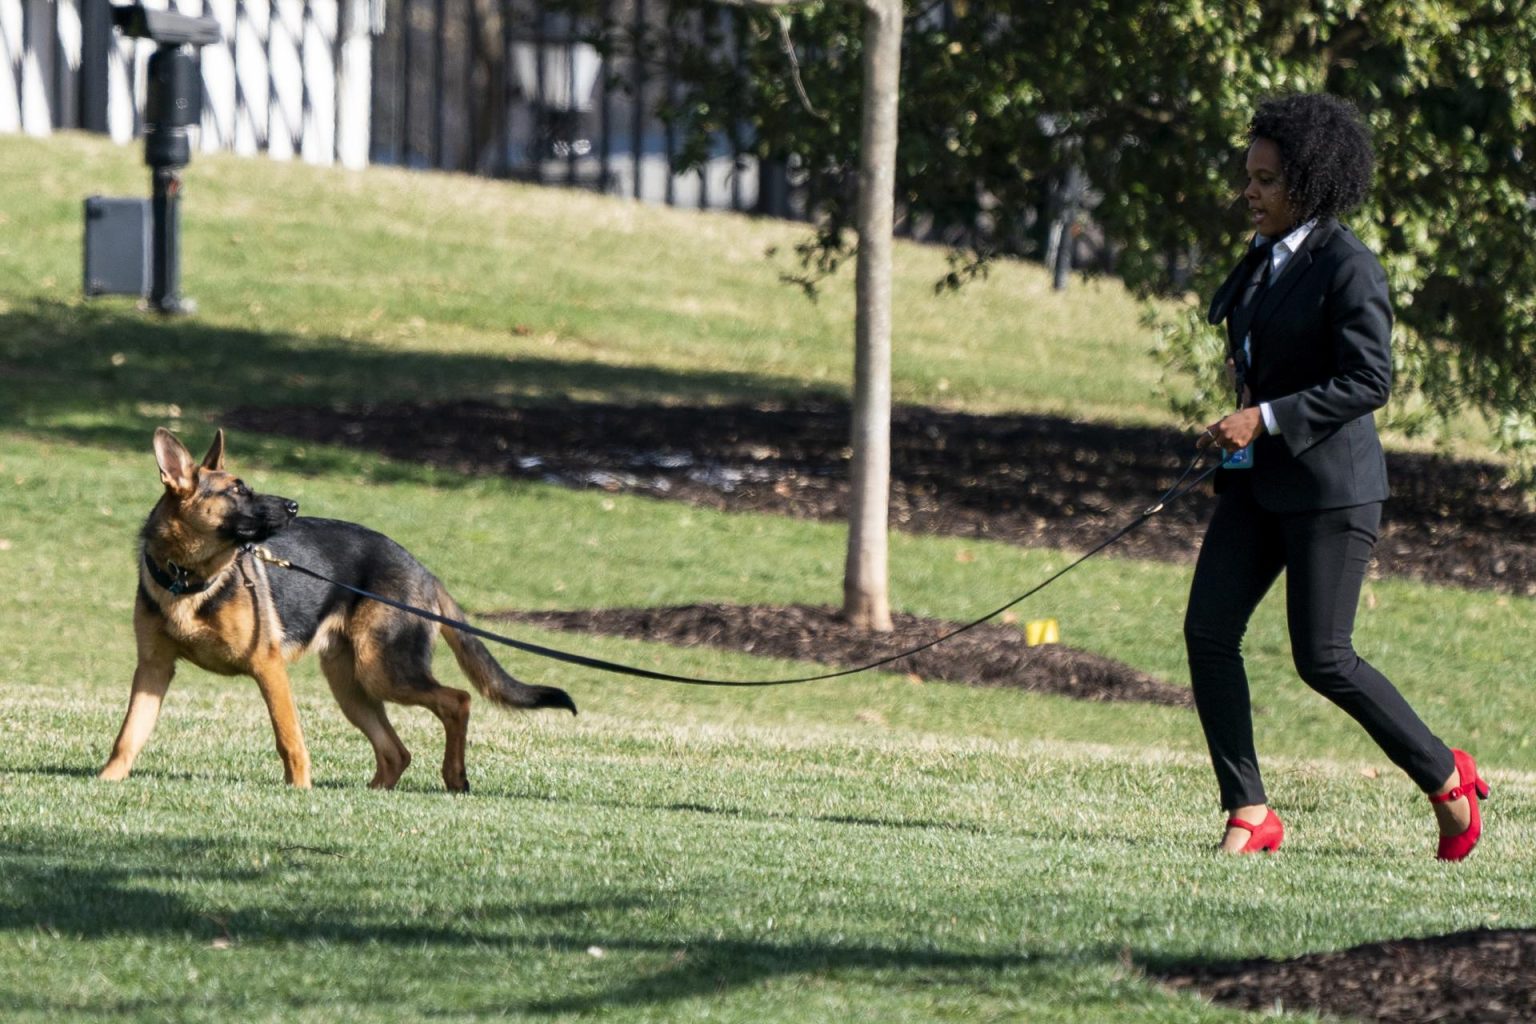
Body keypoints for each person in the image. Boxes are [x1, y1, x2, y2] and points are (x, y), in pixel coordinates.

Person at [1186, 93, 1489, 859]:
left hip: (1333, 491)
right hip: (1259, 485)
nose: (1248, 192)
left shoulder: (1348, 265)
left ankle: (1445, 777)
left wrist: (1266, 418)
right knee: (1208, 632)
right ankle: (1250, 811)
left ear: (1308, 185)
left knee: (1323, 658)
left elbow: (1370, 378)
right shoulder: (1262, 258)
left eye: (1265, 180)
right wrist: (1244, 418)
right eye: (1248, 176)